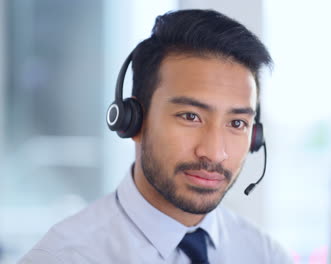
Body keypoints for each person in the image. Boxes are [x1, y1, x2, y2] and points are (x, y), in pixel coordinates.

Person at [19, 9, 292, 264]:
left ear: (255, 136)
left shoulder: (266, 255)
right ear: (133, 120)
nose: (214, 152)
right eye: (190, 116)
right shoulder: (63, 257)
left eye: (236, 123)